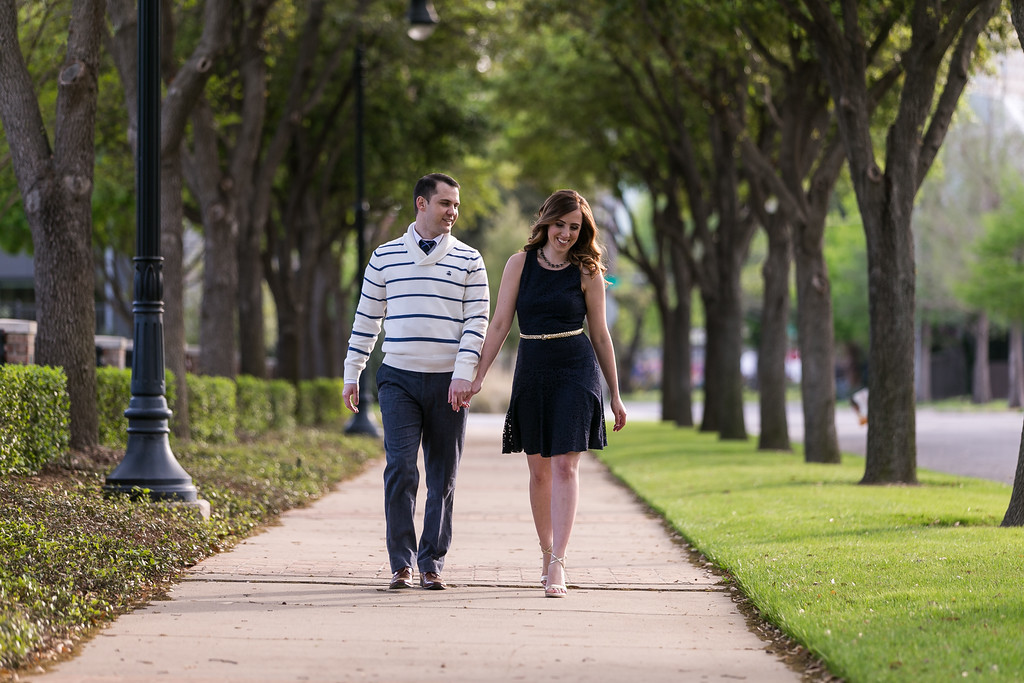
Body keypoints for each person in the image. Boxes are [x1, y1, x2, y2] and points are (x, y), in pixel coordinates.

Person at [470, 189, 627, 598]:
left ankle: (559, 561)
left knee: (564, 467)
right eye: (561, 224)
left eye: (575, 227)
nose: (567, 234)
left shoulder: (588, 270)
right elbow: (500, 322)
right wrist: (478, 376)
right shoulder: (519, 264)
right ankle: (545, 552)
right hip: (533, 367)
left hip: (576, 369)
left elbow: (601, 335)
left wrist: (616, 393)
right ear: (546, 221)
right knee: (538, 470)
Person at [342, 173, 489, 591]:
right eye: (445, 204)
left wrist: (464, 374)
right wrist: (353, 373)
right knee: (401, 468)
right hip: (399, 379)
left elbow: (476, 322)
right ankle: (401, 563)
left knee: (443, 475)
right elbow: (367, 319)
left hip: (449, 383)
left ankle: (432, 563)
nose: (453, 212)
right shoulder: (384, 257)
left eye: (456, 205)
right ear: (421, 204)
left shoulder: (469, 260)